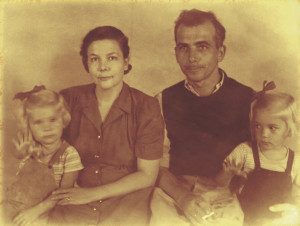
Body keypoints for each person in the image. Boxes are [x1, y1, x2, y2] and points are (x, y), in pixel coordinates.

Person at [49, 26, 164, 226]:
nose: (103, 67)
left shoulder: (147, 106)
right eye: (94, 59)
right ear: (86, 63)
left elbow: (147, 175)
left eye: (112, 58)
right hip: (74, 195)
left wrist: (90, 195)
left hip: (126, 199)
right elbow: (47, 150)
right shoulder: (68, 99)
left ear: (125, 62)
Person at [154, 9, 254, 224]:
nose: (192, 58)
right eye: (184, 47)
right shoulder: (161, 101)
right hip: (173, 195)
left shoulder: (249, 100)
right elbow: (154, 165)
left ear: (220, 52)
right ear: (176, 52)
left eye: (202, 47)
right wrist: (183, 197)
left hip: (227, 199)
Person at [216, 83, 300, 225]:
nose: (263, 134)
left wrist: (294, 210)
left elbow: (297, 196)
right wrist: (227, 174)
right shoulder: (244, 151)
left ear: (289, 129)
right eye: (257, 126)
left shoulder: (296, 162)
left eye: (272, 127)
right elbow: (218, 185)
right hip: (242, 217)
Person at [4, 86, 83, 226]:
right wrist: (21, 153)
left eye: (53, 120)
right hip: (21, 202)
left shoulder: (69, 155)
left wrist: (35, 211)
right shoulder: (32, 149)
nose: (47, 127)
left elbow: (64, 193)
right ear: (29, 127)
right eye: (38, 122)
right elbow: (17, 156)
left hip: (50, 208)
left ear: (63, 121)